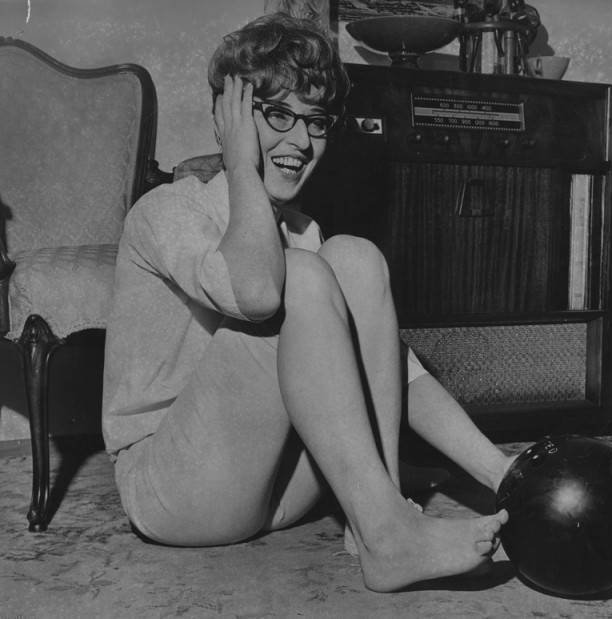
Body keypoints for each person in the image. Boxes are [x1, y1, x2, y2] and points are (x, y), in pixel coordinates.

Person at [102, 12, 517, 592]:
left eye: (317, 122)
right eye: (277, 115)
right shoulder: (168, 212)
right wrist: (241, 163)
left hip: (273, 486)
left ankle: (377, 514)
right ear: (229, 118)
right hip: (176, 490)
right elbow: (258, 292)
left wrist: (502, 472)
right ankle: (388, 531)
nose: (301, 141)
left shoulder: (304, 230)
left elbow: (400, 369)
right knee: (299, 276)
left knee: (355, 257)